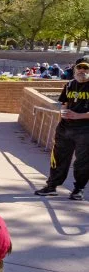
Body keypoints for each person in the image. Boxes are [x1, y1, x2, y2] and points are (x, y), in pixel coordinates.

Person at [35, 56, 89, 200]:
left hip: (85, 131)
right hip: (65, 128)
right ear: (75, 69)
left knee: (82, 162)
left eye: (86, 68)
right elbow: (64, 104)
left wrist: (78, 116)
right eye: (80, 67)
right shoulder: (70, 85)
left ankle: (78, 190)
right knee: (58, 159)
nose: (82, 70)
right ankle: (52, 186)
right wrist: (63, 113)